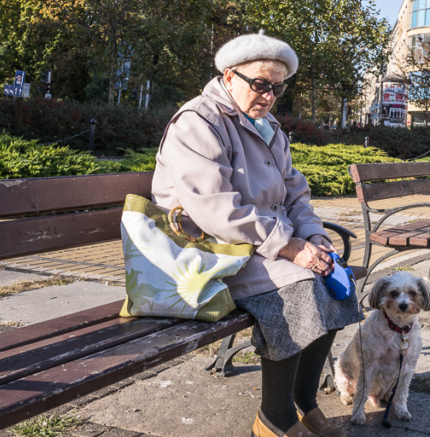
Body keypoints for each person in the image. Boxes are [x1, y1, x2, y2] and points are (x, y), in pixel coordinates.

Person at [152, 32, 360, 437]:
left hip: (259, 243)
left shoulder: (268, 127)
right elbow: (215, 208)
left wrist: (314, 237)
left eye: (277, 87)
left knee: (337, 279)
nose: (268, 95)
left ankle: (303, 403)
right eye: (260, 84)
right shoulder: (198, 122)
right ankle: (273, 421)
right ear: (230, 77)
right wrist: (288, 246)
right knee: (301, 286)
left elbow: (296, 192)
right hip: (210, 249)